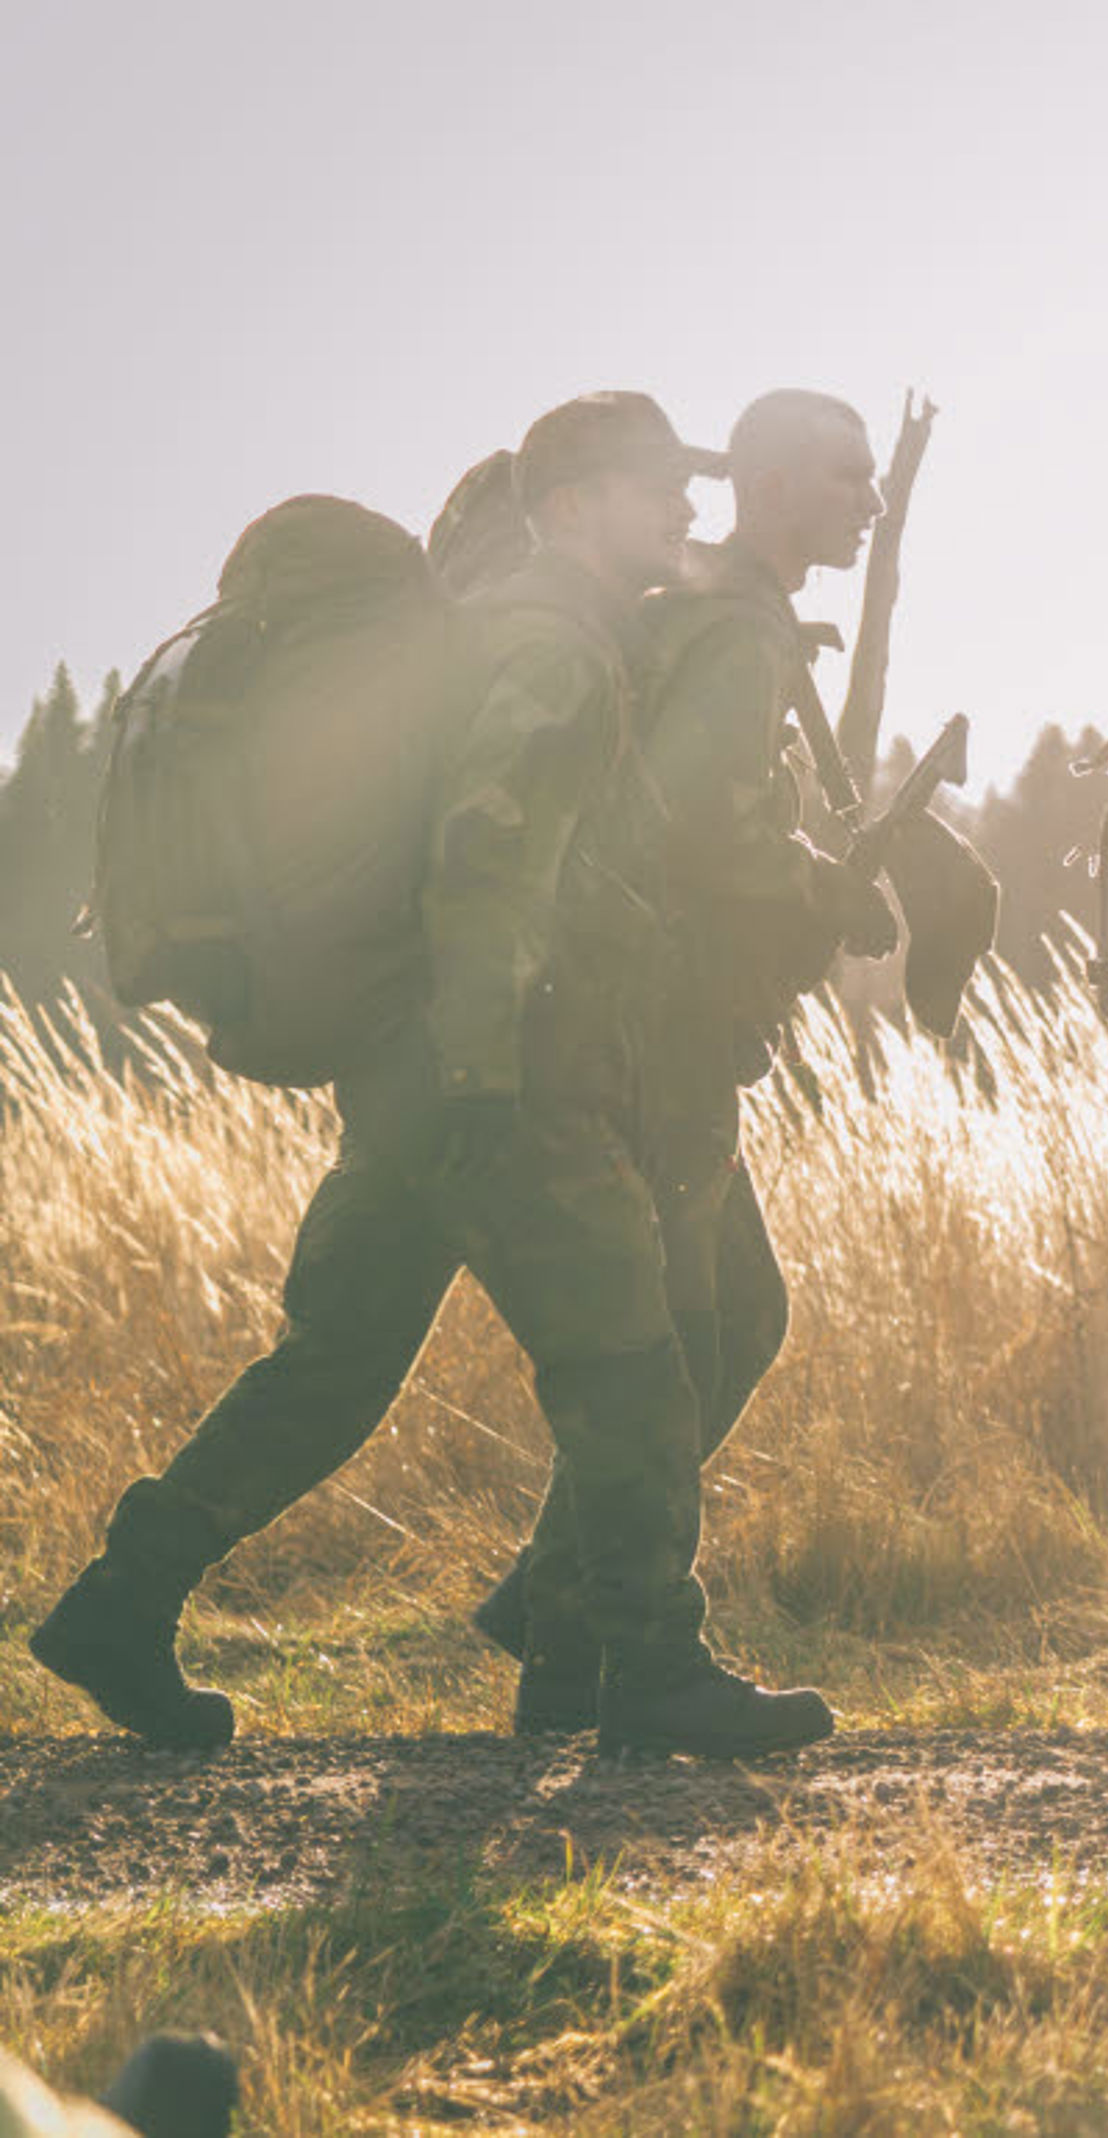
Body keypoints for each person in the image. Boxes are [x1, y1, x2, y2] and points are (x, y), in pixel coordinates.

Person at [23, 392, 834, 1760]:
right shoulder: (554, 644)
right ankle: (648, 1665)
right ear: (568, 506)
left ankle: (121, 1600)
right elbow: (486, 851)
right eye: (654, 489)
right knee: (633, 1360)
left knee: (332, 1366)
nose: (686, 512)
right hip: (492, 1072)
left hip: (412, 1074)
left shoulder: (508, 629)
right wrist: (488, 1064)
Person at [468, 389, 906, 1732]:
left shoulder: (713, 612)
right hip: (656, 1033)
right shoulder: (731, 631)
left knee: (720, 1319)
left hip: (658, 1025)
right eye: (843, 474)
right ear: (767, 483)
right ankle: (606, 1646)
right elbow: (691, 826)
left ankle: (559, 1623)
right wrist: (823, 892)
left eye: (875, 476)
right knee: (679, 1337)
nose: (868, 500)